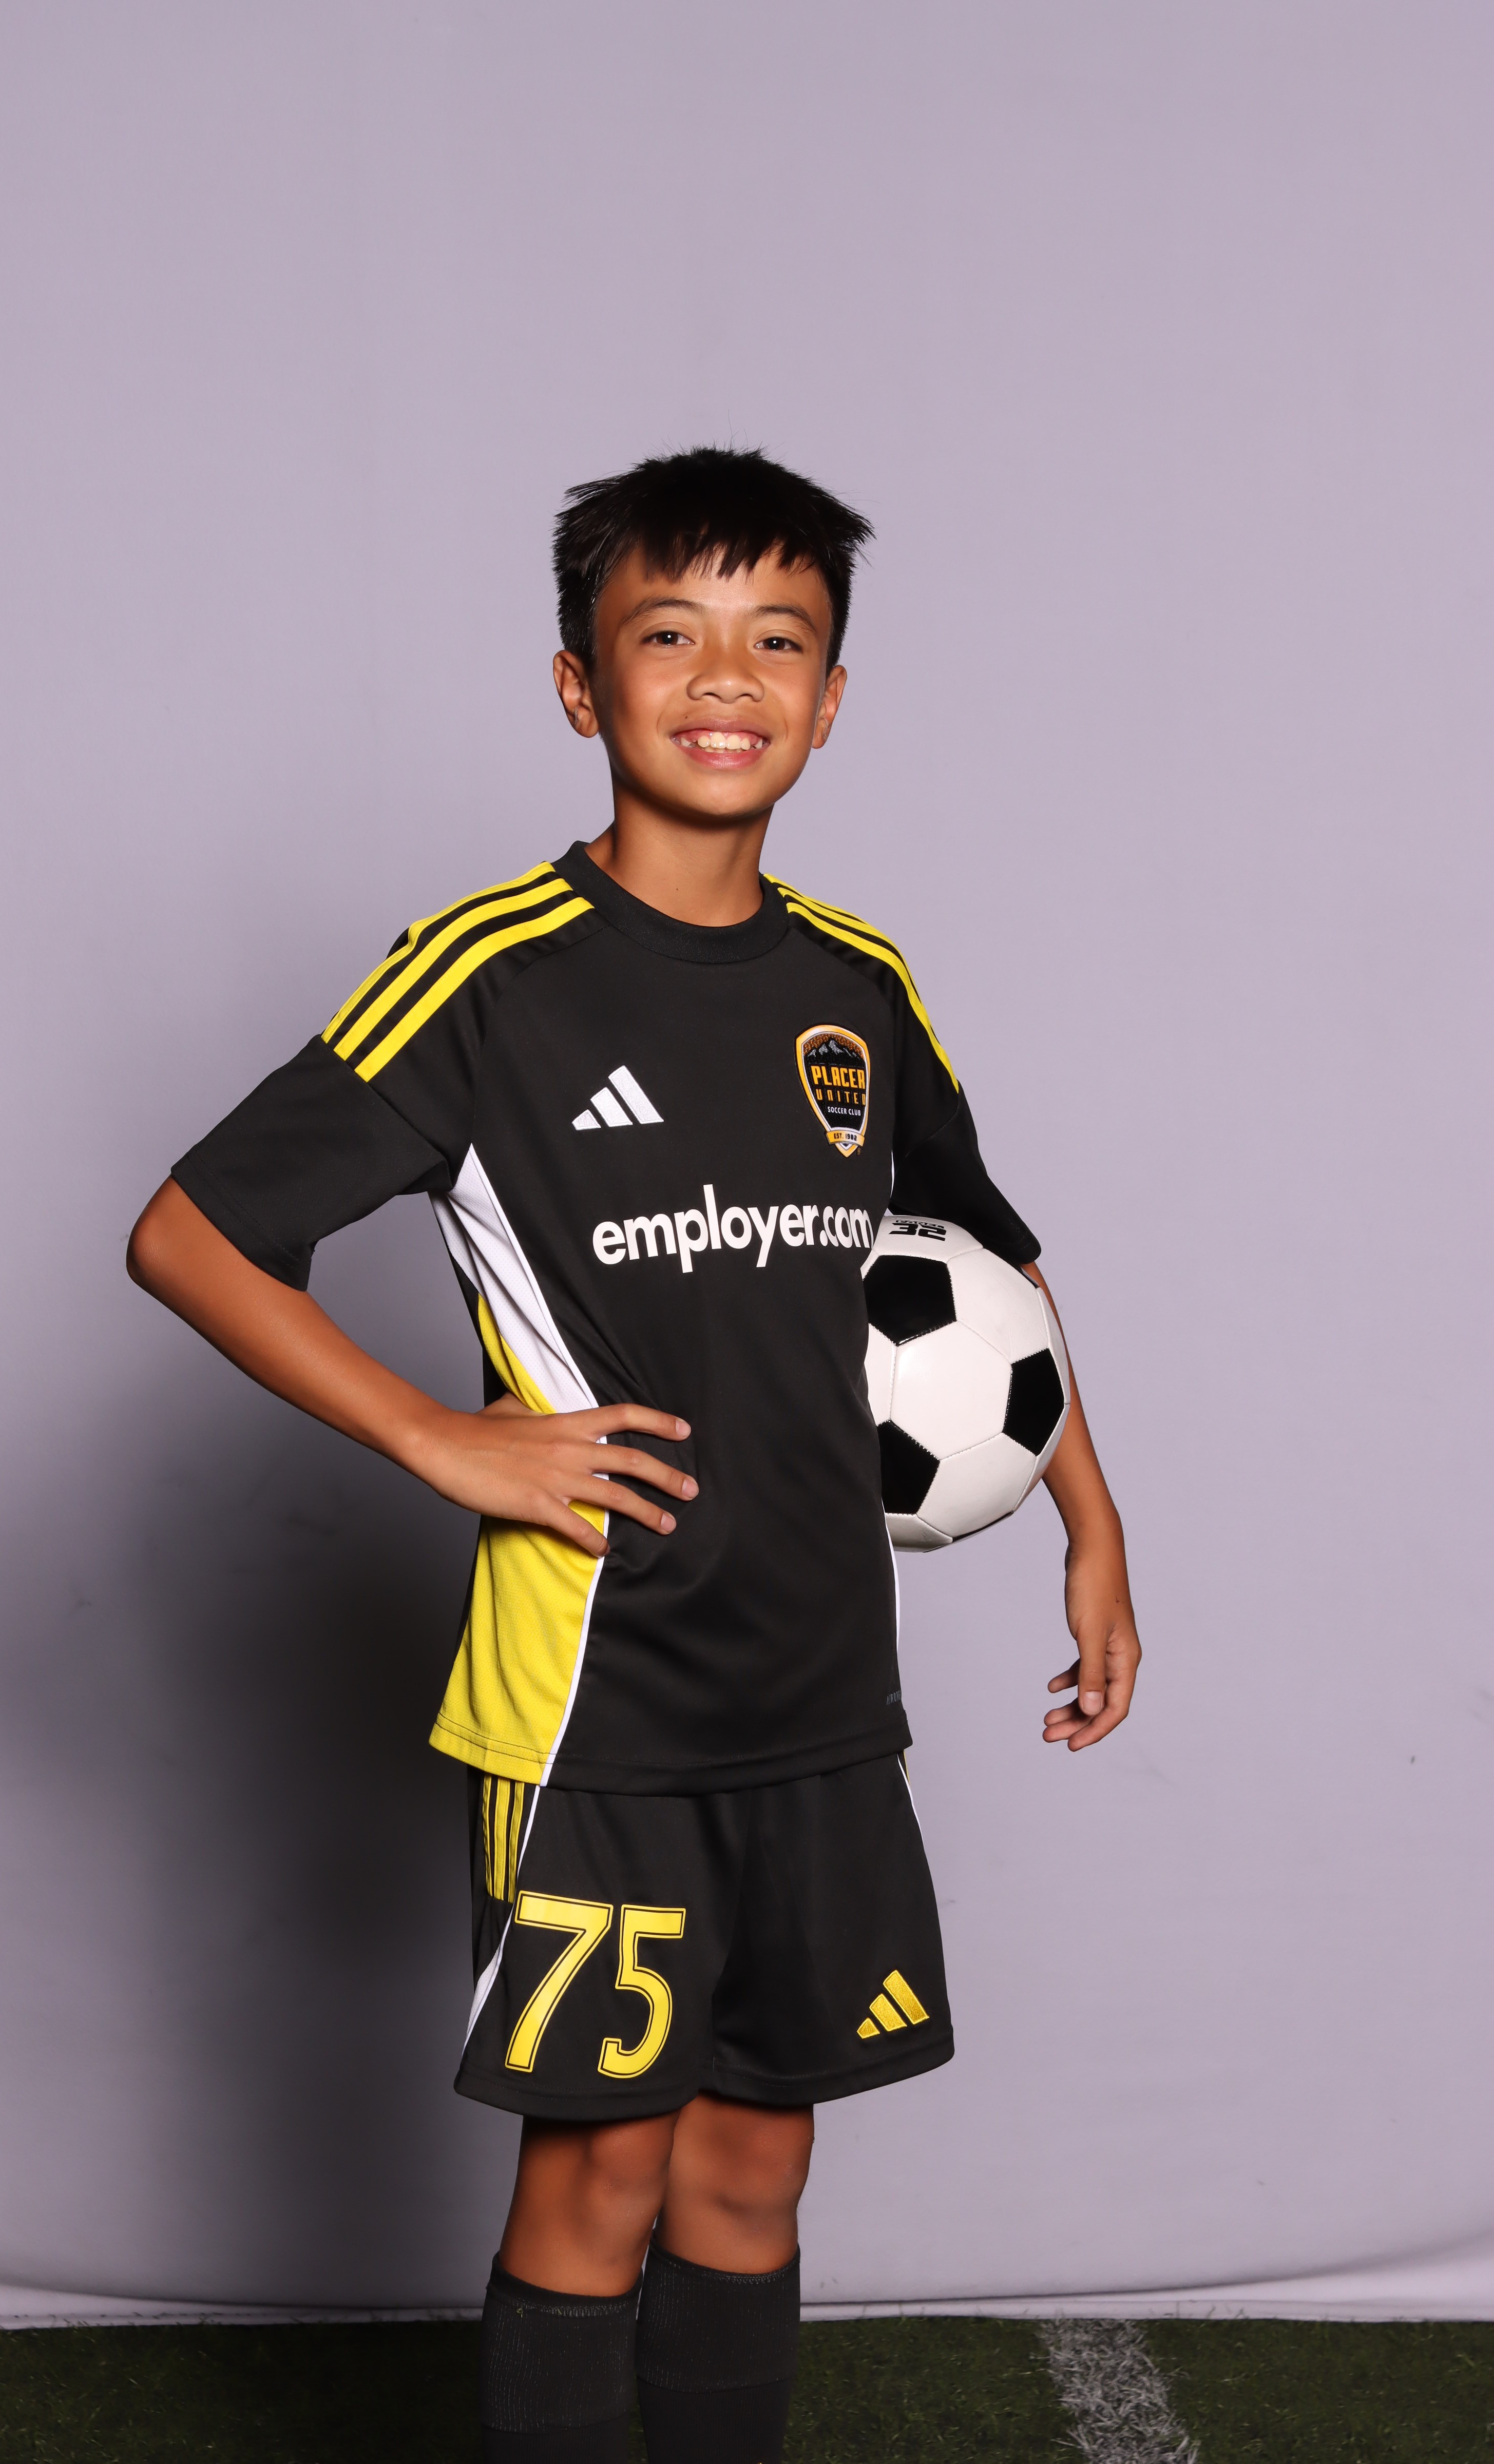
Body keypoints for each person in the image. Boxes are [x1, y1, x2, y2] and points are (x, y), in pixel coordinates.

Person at [127, 446, 1141, 2462]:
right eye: (667, 635)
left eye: (778, 640)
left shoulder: (856, 986)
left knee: (755, 2166)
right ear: (580, 686)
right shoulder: (488, 976)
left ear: (831, 697)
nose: (724, 678)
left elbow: (987, 1275)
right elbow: (190, 1234)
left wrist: (1090, 1523)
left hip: (819, 1700)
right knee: (599, 2175)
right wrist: (441, 1439)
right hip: (597, 1704)